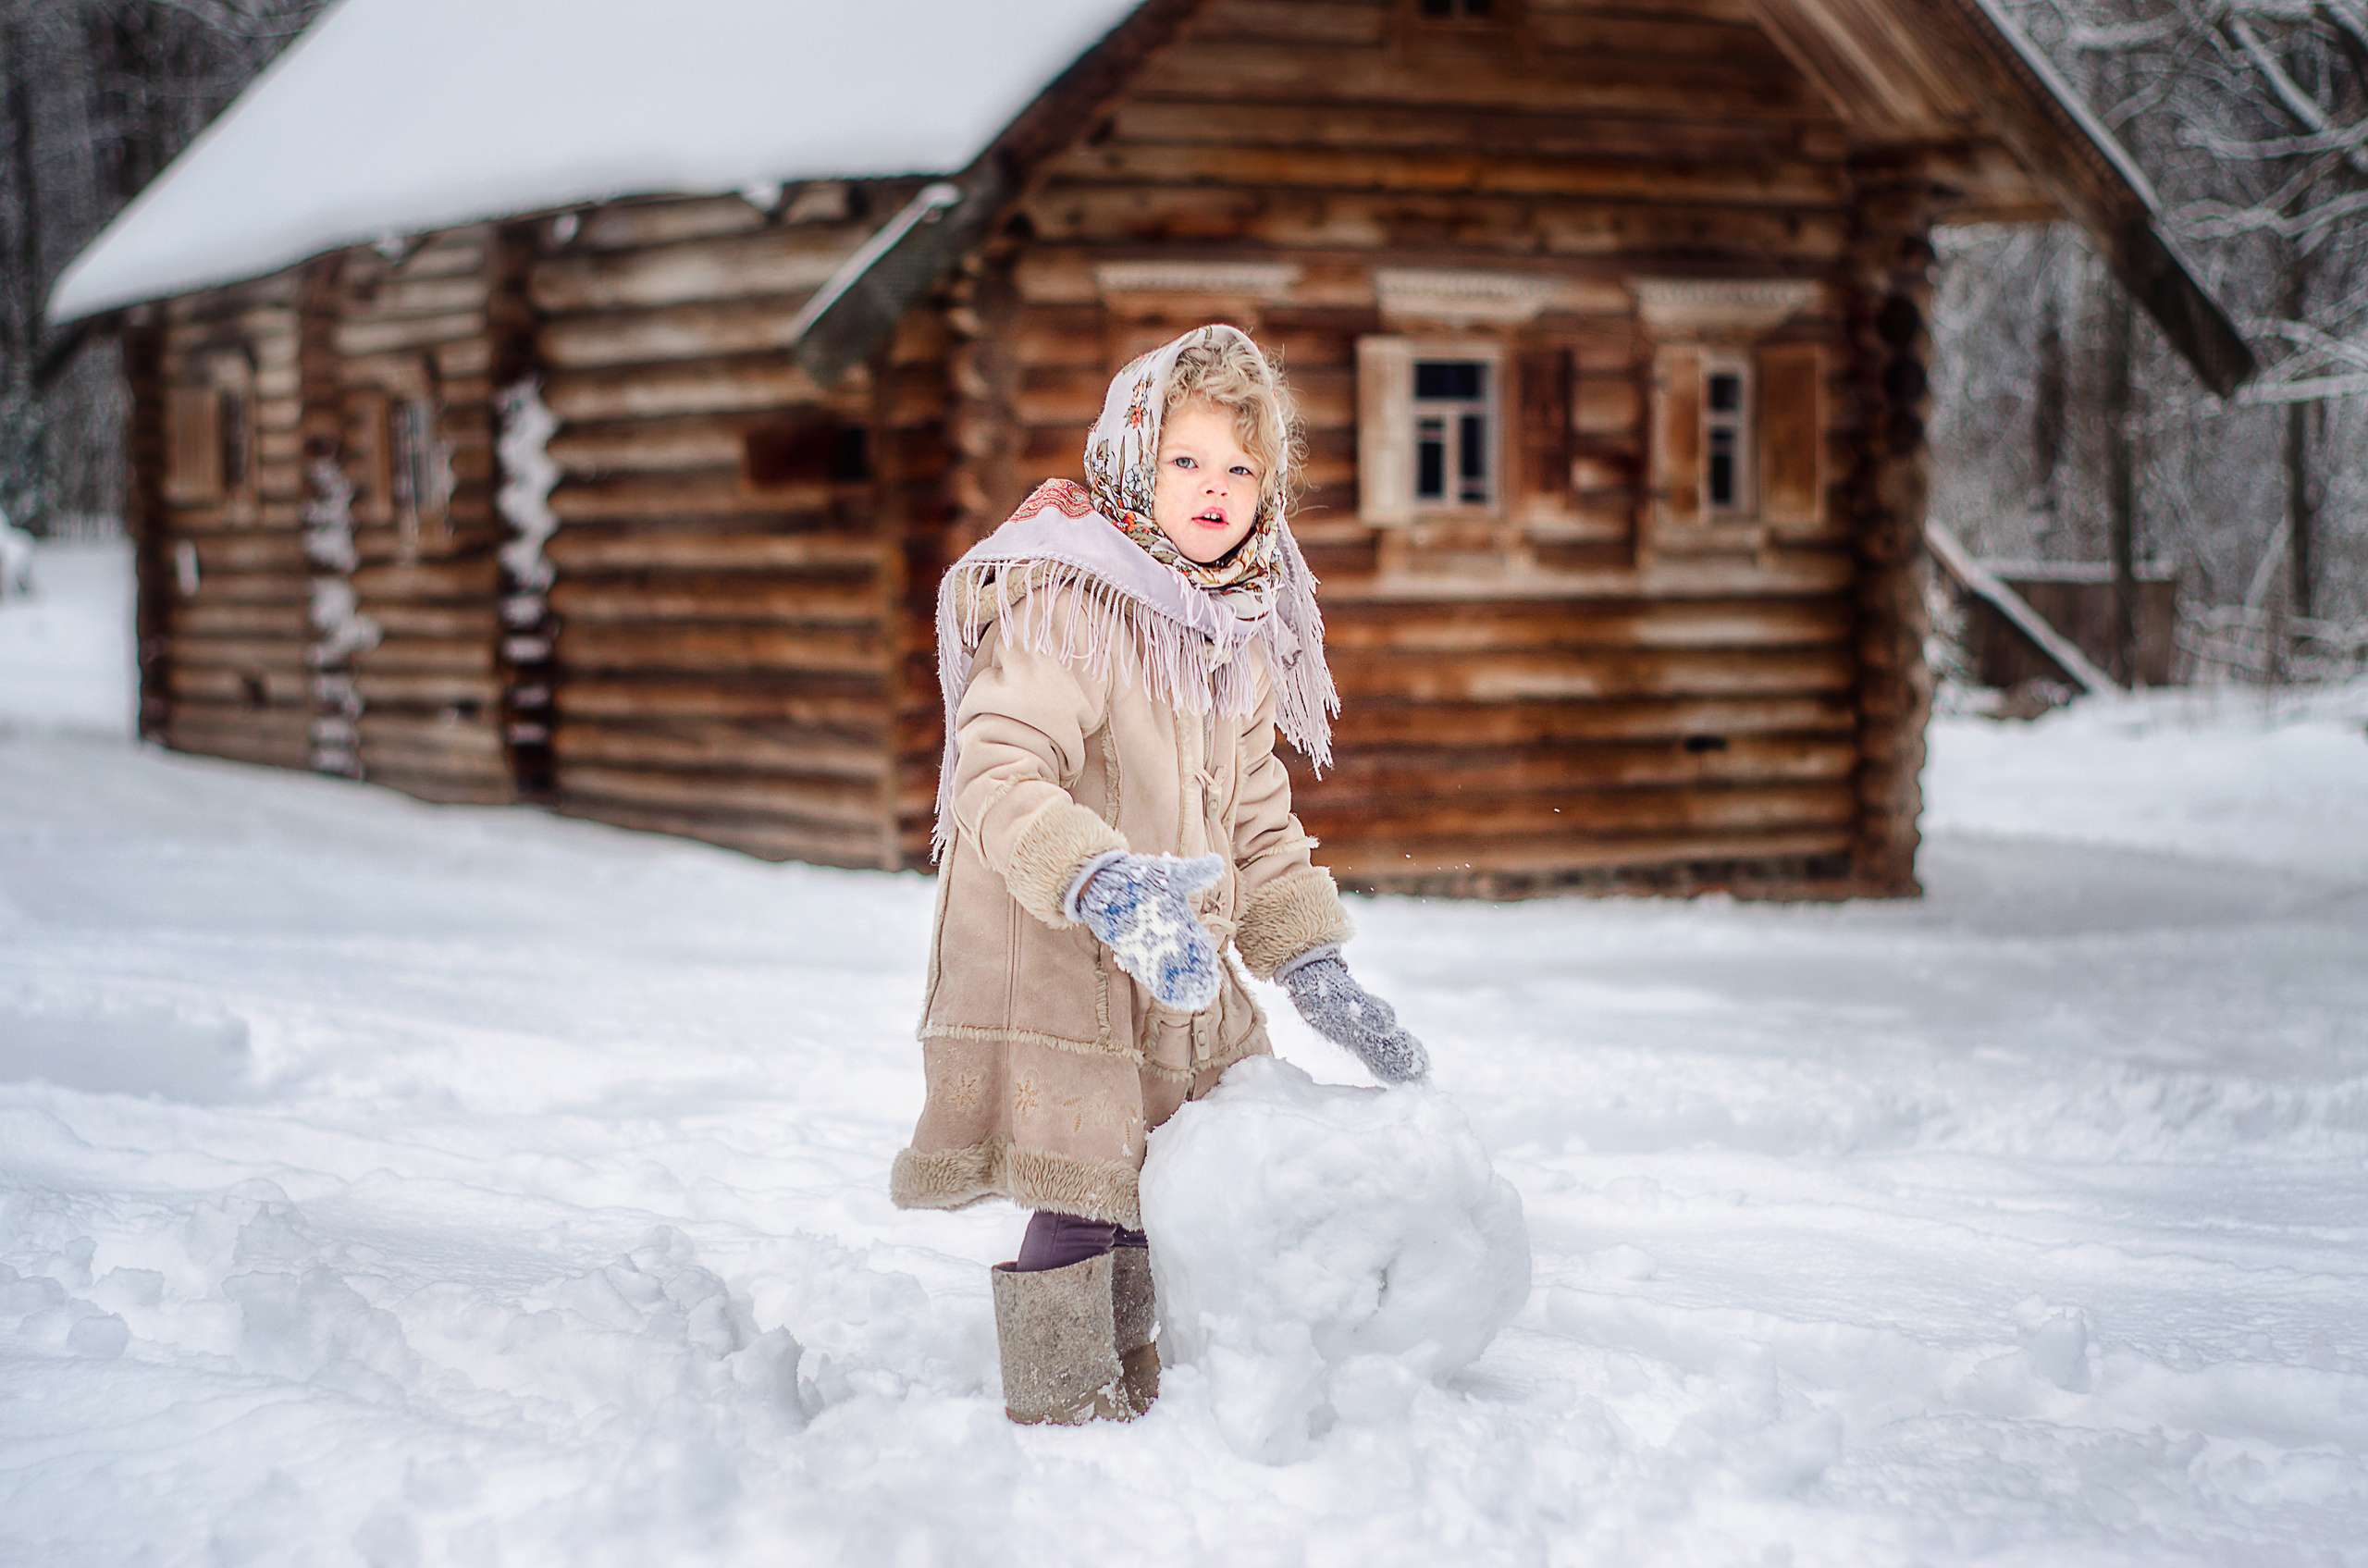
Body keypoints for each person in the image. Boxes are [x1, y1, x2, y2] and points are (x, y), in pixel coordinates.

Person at [889, 323, 1429, 1426]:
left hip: (1178, 970)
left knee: (1170, 1177)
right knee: (1087, 1191)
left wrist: (1312, 964)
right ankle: (1061, 1409)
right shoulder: (1068, 602)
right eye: (1187, 460)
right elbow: (991, 774)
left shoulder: (1227, 622)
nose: (1215, 488)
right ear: (1135, 460)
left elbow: (1259, 819)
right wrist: (1097, 880)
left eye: (1241, 467)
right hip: (1067, 959)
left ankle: (1143, 1387)